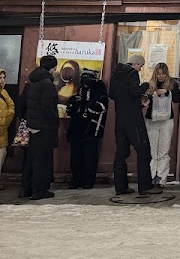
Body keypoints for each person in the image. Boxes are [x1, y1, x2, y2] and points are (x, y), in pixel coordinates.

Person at [109, 54, 156, 198]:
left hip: (120, 119)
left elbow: (112, 94)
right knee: (143, 150)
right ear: (135, 64)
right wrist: (146, 85)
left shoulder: (116, 75)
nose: (140, 69)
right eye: (140, 66)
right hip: (133, 119)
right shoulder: (132, 74)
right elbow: (135, 91)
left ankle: (121, 187)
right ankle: (145, 186)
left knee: (121, 153)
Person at [17, 54, 60, 200]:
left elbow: (21, 105)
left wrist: (28, 118)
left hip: (31, 126)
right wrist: (55, 121)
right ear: (52, 67)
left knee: (30, 158)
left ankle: (26, 189)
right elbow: (48, 108)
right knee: (42, 159)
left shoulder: (31, 82)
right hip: (44, 127)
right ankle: (38, 190)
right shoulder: (47, 84)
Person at [65, 68, 108, 189]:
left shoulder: (99, 90)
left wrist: (85, 107)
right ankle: (77, 179)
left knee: (89, 156)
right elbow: (71, 108)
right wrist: (74, 105)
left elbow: (100, 107)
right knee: (76, 156)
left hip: (91, 129)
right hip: (76, 129)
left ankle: (88, 180)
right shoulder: (79, 91)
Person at [146, 62, 180, 185]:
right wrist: (152, 95)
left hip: (166, 120)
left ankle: (161, 177)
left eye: (163, 74)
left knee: (164, 150)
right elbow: (144, 100)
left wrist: (167, 92)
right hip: (152, 119)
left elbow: (177, 99)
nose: (161, 76)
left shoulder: (172, 84)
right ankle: (150, 175)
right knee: (152, 149)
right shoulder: (149, 85)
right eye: (159, 74)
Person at [0, 68, 16, 182]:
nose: (2, 80)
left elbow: (11, 106)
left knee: (1, 156)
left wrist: (8, 118)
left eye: (3, 78)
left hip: (3, 131)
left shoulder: (4, 92)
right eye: (0, 78)